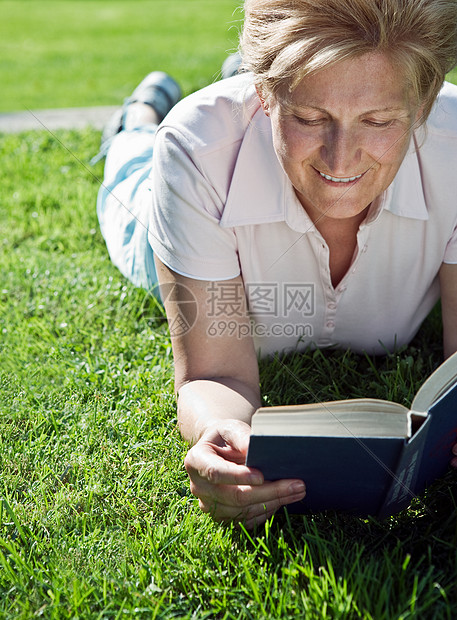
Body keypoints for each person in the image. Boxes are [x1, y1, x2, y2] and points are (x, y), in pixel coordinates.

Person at [97, 0, 457, 529]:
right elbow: (214, 372)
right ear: (266, 94)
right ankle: (134, 121)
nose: (341, 160)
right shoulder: (196, 149)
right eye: (311, 117)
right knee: (128, 189)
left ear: (423, 104)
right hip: (181, 227)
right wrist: (219, 432)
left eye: (378, 121)